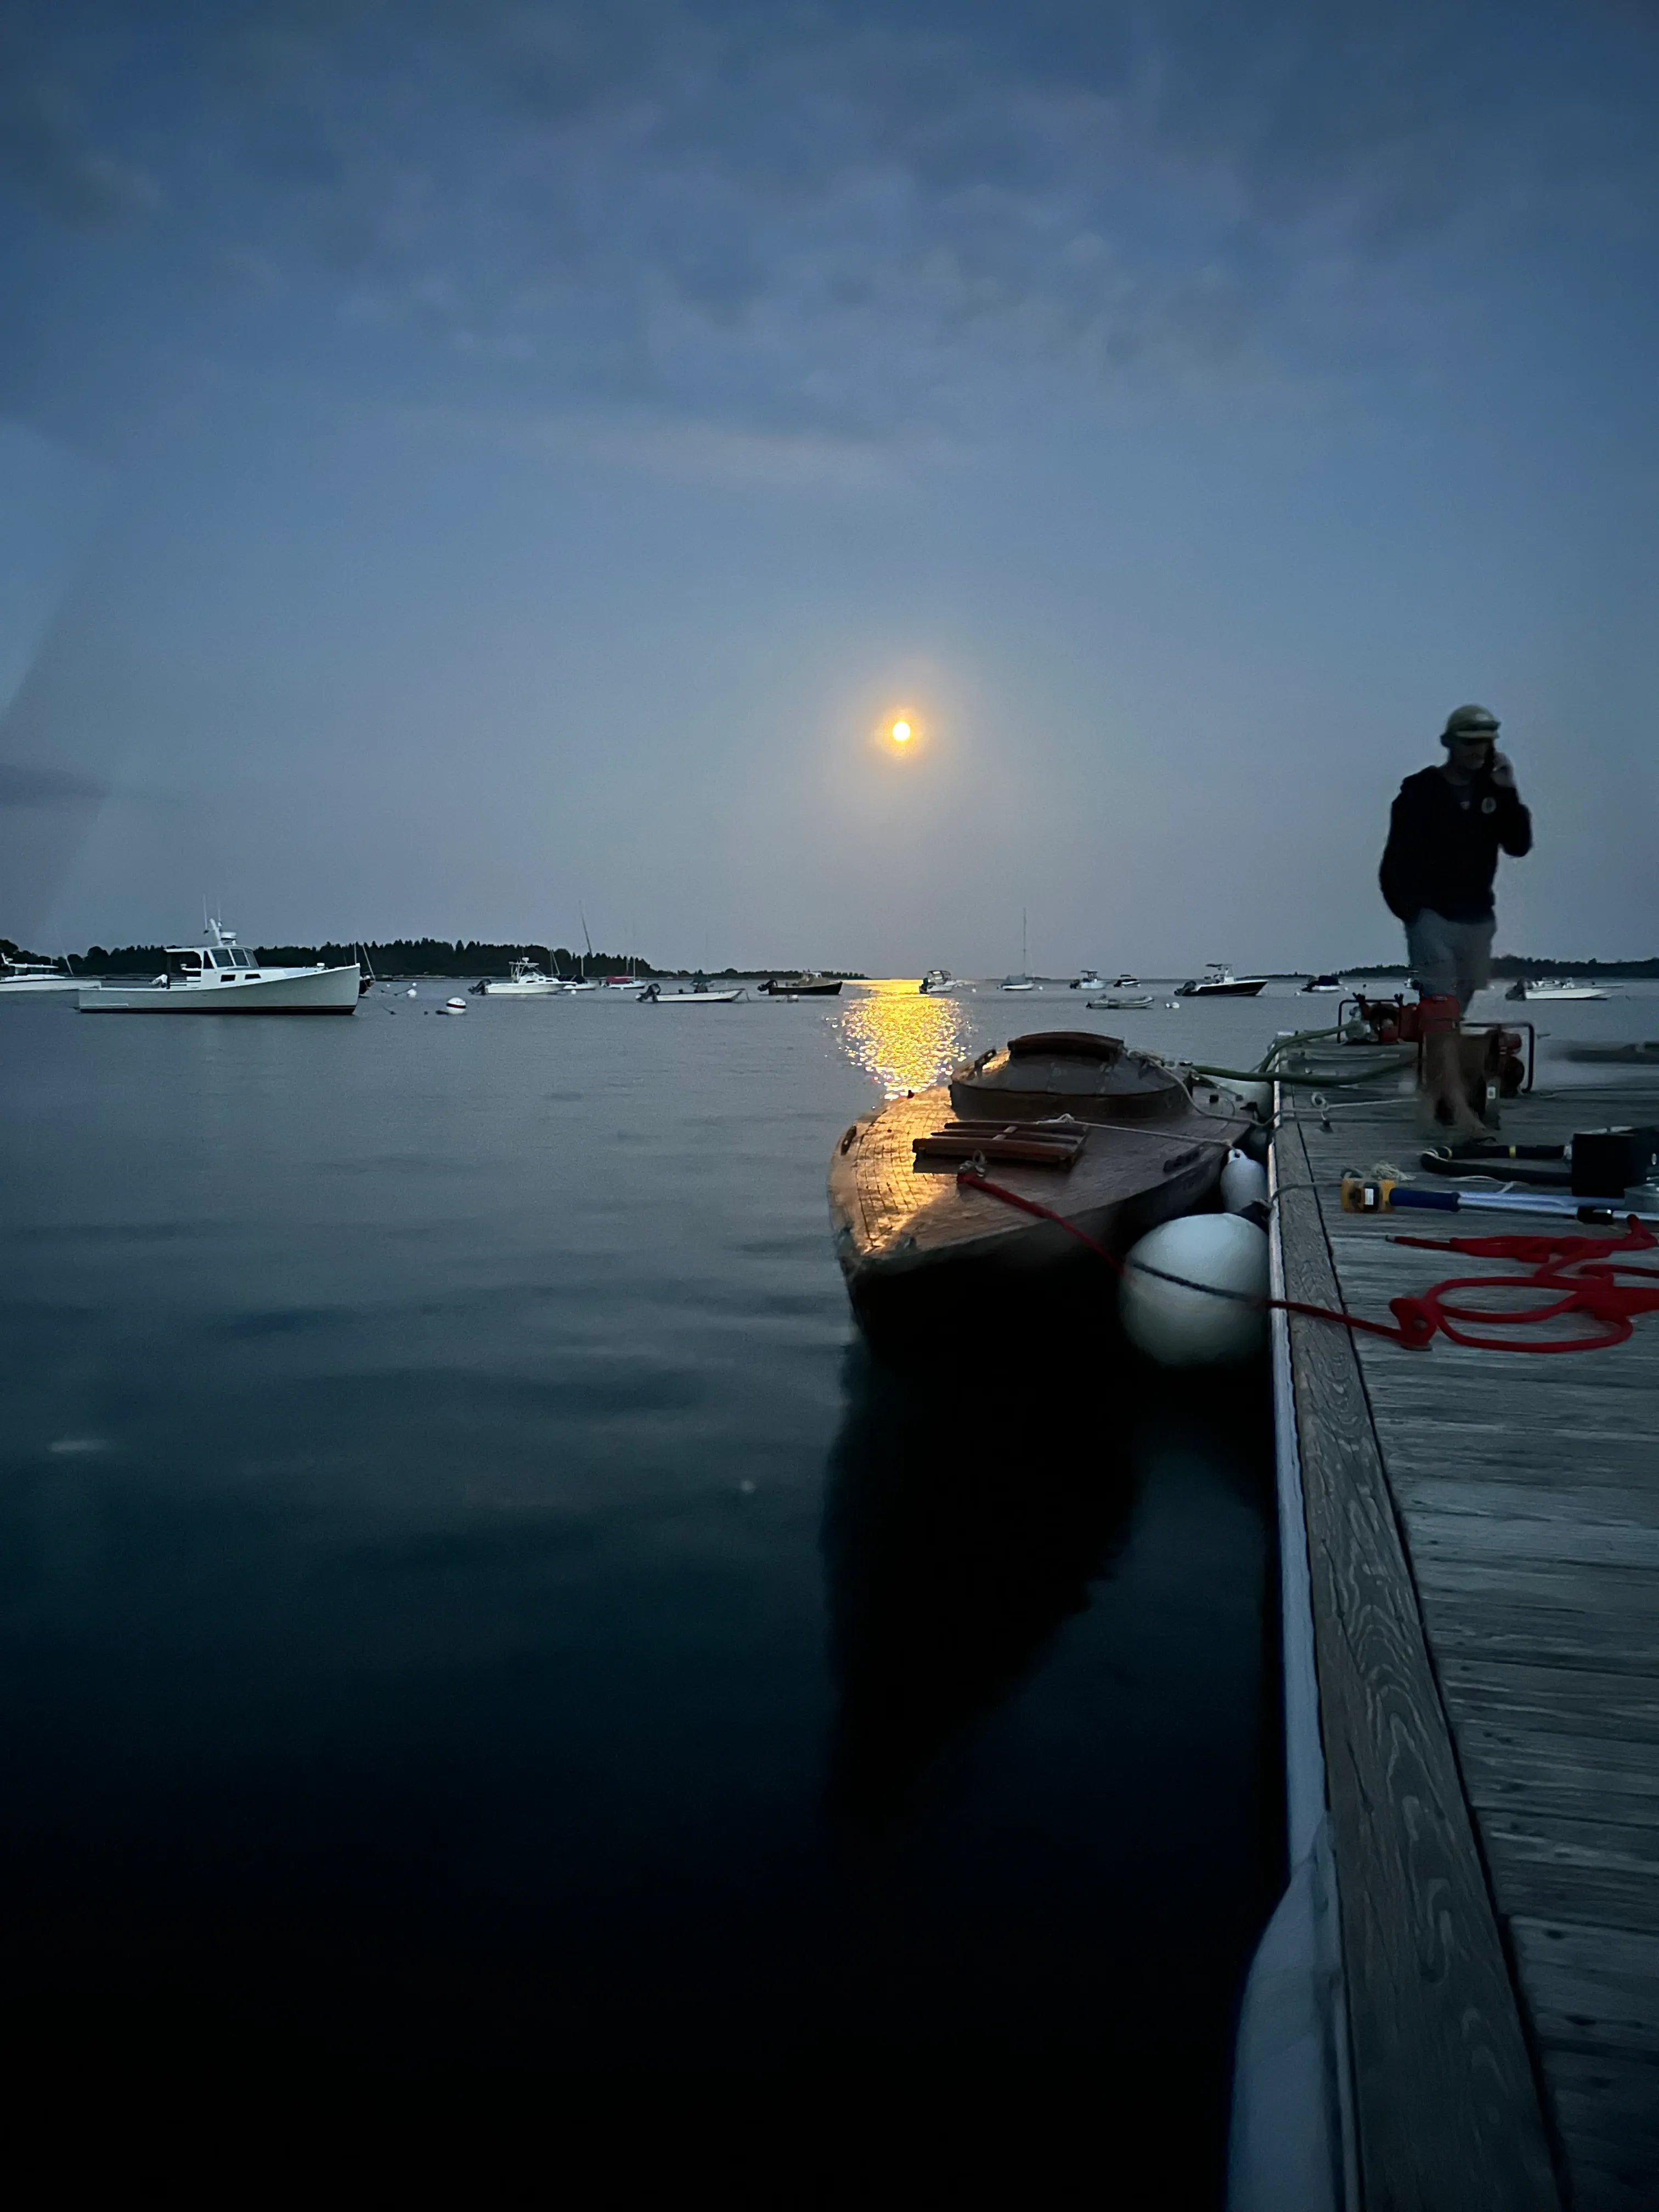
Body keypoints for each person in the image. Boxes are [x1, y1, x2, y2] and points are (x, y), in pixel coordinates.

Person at [1379, 703, 1532, 1127]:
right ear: (1450, 743)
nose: (1478, 749)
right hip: (1431, 916)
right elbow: (1393, 861)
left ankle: (1437, 1089)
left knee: (1451, 1015)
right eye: (1470, 741)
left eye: (1486, 741)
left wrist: (1508, 790)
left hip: (1477, 918)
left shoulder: (1493, 793)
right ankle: (1459, 1111)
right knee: (1441, 1010)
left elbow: (1518, 844)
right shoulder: (1420, 791)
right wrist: (1412, 912)